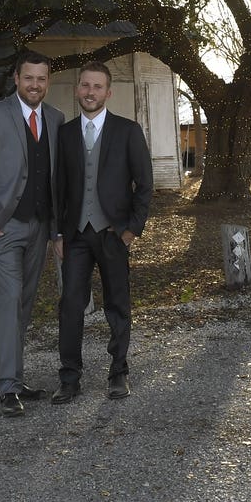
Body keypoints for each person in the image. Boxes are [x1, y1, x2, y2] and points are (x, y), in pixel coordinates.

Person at [0, 49, 65, 417]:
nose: (35, 85)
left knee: (24, 303)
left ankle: (16, 379)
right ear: (16, 79)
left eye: (41, 78)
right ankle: (6, 386)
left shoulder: (56, 118)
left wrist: (57, 231)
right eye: (28, 78)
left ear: (47, 82)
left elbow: (57, 180)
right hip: (2, 228)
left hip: (41, 228)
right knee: (8, 301)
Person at [51, 61, 152, 403]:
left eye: (97, 87)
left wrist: (131, 230)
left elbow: (145, 184)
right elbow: (58, 189)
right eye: (85, 86)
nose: (90, 92)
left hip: (113, 234)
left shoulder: (128, 130)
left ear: (108, 92)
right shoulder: (64, 134)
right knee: (70, 305)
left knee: (117, 304)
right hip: (76, 235)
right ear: (78, 90)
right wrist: (58, 234)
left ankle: (119, 372)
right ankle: (69, 378)